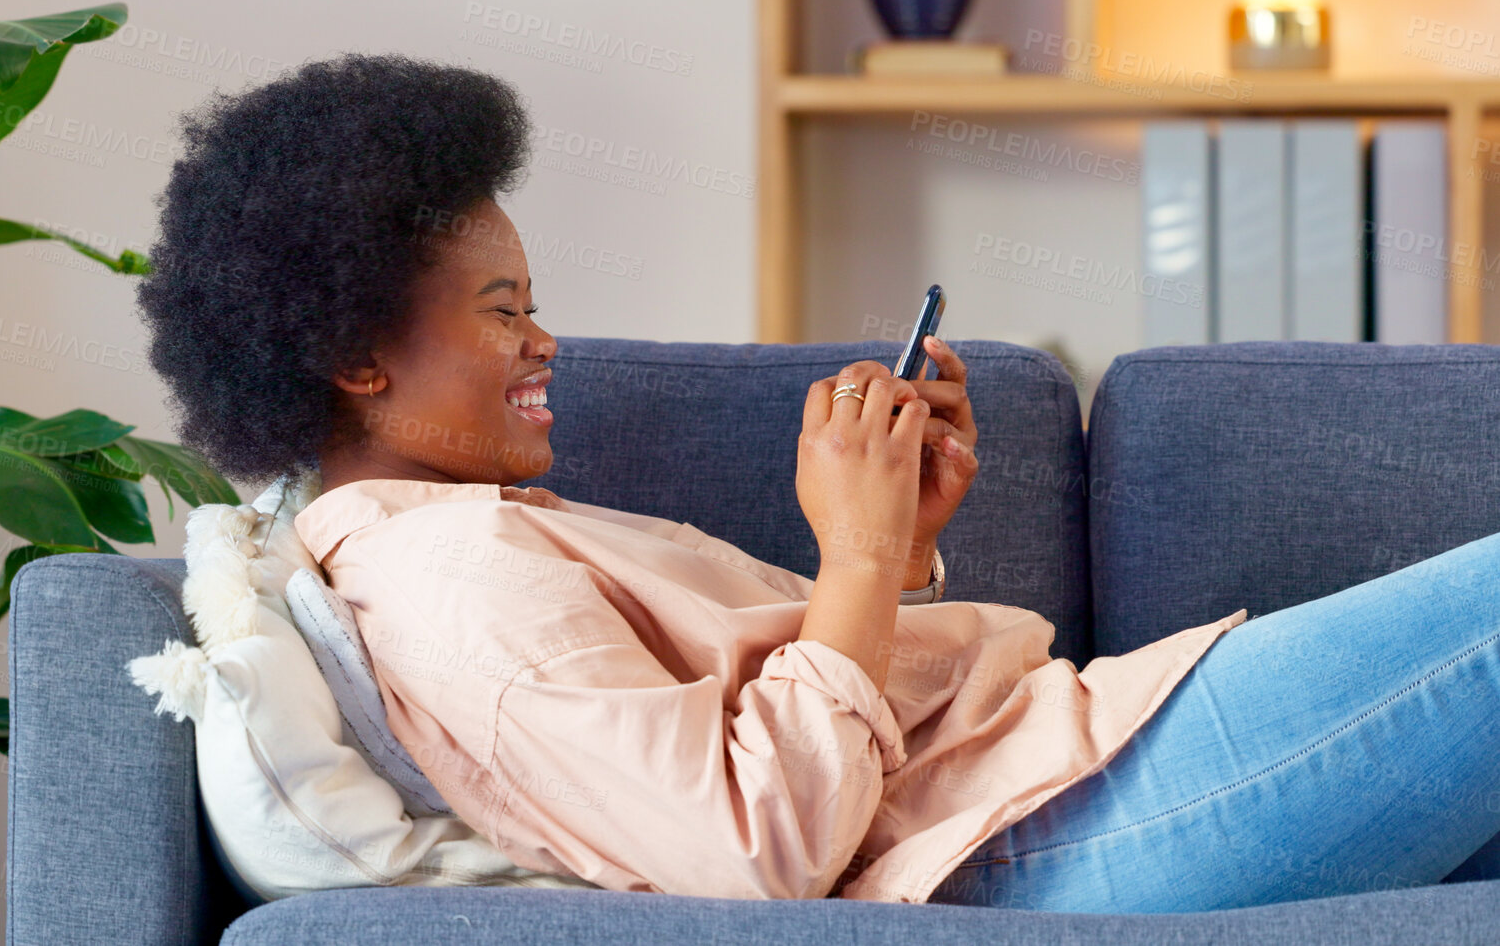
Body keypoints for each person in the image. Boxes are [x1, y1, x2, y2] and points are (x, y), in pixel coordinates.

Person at [135, 52, 1500, 911]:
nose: (542, 341)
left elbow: (785, 731)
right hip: (1042, 832)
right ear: (355, 354)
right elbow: (752, 853)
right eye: (499, 310)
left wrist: (893, 553)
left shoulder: (469, 536)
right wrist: (847, 560)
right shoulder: (444, 578)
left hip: (1048, 777)